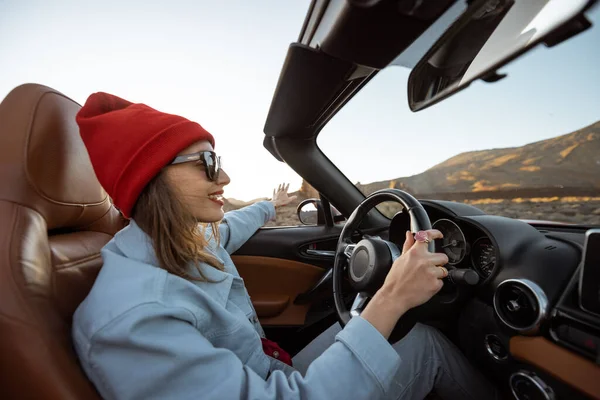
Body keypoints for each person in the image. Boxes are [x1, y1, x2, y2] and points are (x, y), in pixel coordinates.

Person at [72, 92, 498, 400]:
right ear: (151, 178)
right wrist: (392, 297)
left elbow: (230, 227)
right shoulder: (133, 321)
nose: (224, 179)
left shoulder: (181, 239)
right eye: (208, 163)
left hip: (272, 372)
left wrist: (269, 207)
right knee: (421, 343)